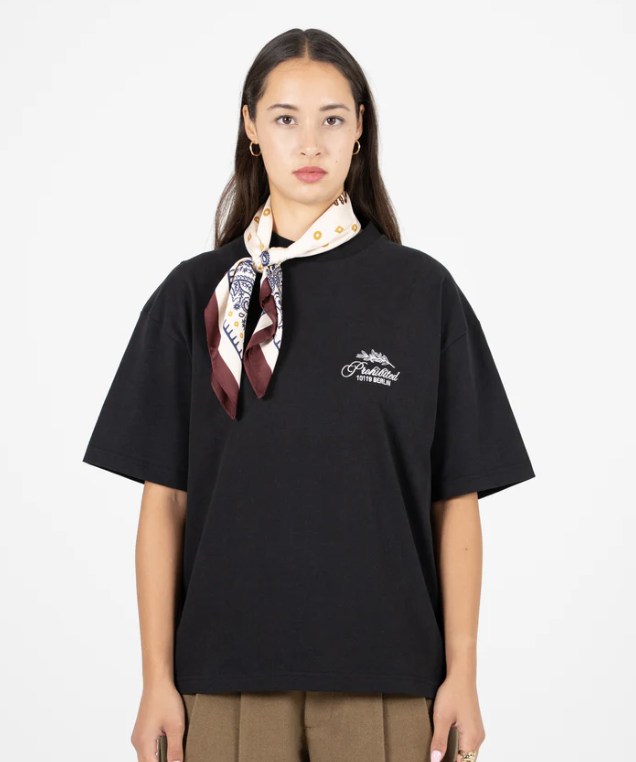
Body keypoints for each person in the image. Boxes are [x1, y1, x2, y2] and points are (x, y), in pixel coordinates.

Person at [82, 27, 535, 762]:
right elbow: (164, 504)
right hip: (221, 682)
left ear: (360, 128)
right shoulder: (193, 297)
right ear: (251, 127)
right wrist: (155, 681)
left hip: (386, 678)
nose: (310, 143)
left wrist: (464, 676)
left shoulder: (423, 294)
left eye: (332, 118)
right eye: (286, 118)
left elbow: (455, 501)